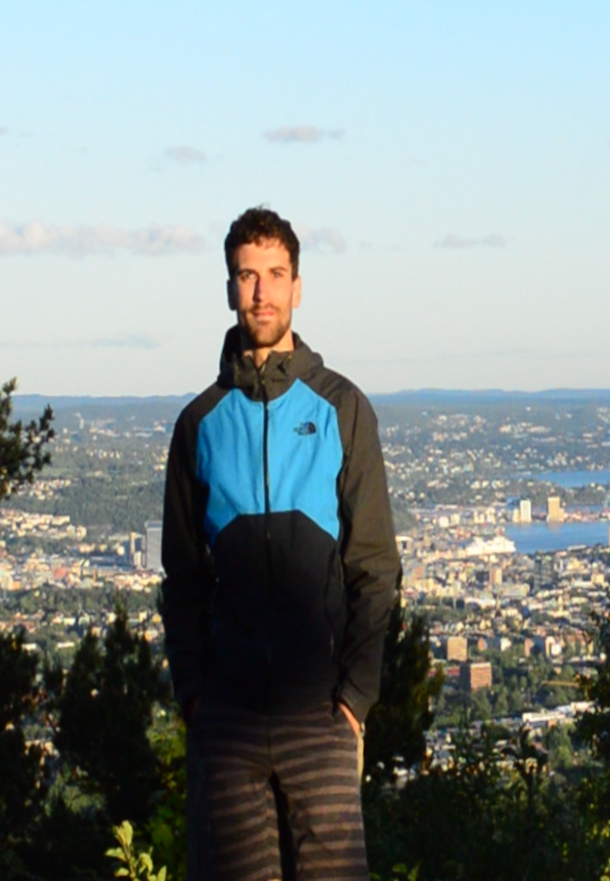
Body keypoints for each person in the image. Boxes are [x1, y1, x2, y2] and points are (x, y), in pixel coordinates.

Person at [162, 207, 400, 881]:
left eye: (274, 275)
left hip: (319, 717)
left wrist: (354, 698)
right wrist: (195, 699)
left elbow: (376, 566)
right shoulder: (199, 424)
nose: (260, 292)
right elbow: (181, 576)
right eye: (246, 275)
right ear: (230, 287)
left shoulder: (340, 408)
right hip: (228, 721)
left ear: (298, 286)